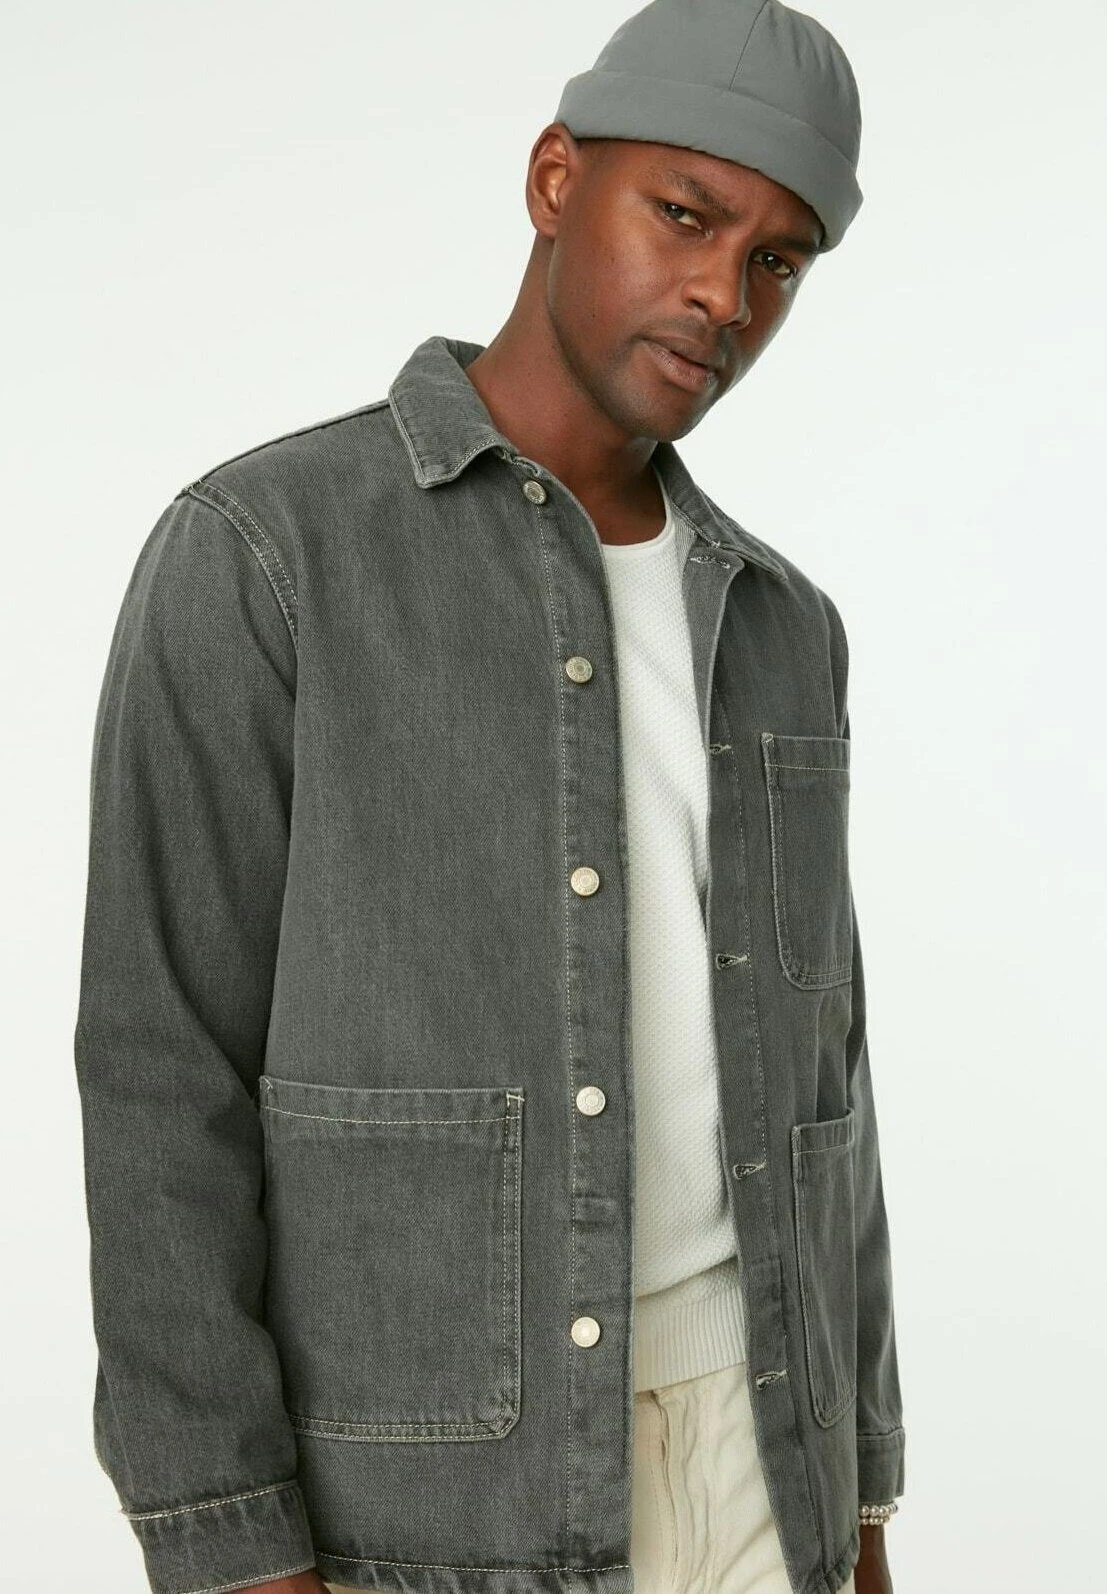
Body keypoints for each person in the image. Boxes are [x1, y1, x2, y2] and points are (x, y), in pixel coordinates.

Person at [73, 2, 906, 1592]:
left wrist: (856, 1500)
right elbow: (157, 1072)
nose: (723, 295)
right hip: (434, 1506)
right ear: (552, 178)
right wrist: (230, 1543)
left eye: (777, 262)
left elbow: (827, 1091)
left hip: (760, 1459)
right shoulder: (265, 557)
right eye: (685, 215)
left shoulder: (783, 628)